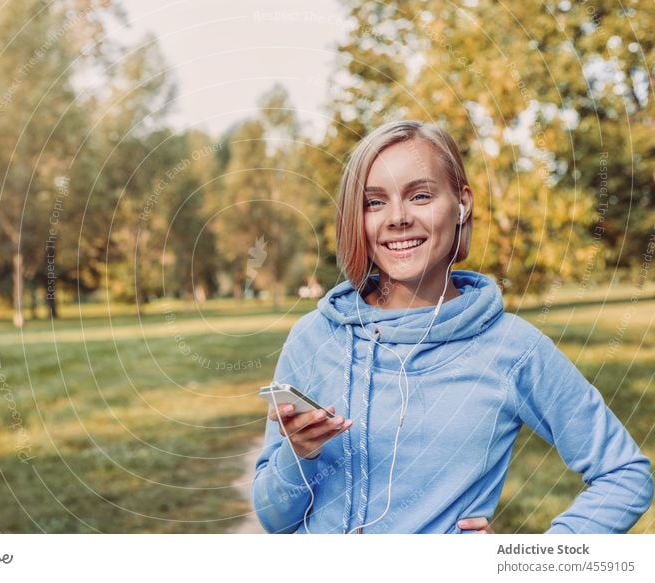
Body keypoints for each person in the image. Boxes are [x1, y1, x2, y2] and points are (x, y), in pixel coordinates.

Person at [251, 120, 653, 534]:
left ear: (462, 204)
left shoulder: (511, 349)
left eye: (420, 196)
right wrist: (298, 454)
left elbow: (624, 475)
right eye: (374, 202)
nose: (398, 218)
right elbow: (273, 518)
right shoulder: (314, 338)